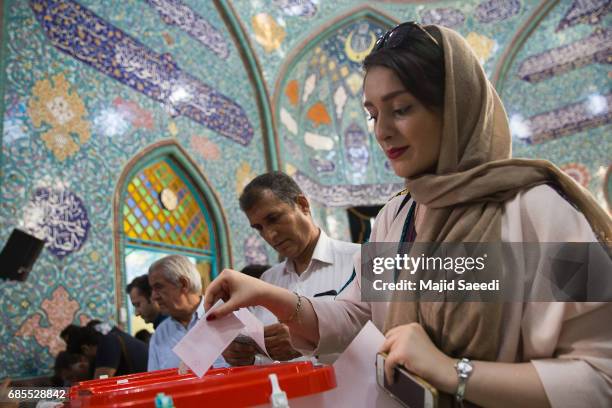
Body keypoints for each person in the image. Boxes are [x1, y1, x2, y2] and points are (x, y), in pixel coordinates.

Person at [204, 23, 612, 408]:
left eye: (400, 108)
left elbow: (601, 377)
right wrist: (264, 294)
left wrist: (454, 373)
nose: (381, 131)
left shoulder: (543, 212)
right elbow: (355, 315)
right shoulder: (397, 216)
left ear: (455, 106)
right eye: (372, 114)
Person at [222, 173, 360, 366]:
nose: (269, 235)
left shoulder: (363, 260)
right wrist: (244, 354)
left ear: (303, 204)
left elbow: (388, 341)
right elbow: (267, 360)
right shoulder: (267, 280)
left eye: (274, 218)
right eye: (259, 228)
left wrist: (308, 339)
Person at [147, 255, 227, 371]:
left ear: (183, 284)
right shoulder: (160, 335)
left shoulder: (226, 315)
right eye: (152, 289)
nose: (154, 297)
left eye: (158, 287)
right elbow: (155, 383)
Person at [66, 323, 148, 378]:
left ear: (85, 349)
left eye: (82, 358)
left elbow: (98, 387)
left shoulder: (108, 343)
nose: (84, 363)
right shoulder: (113, 337)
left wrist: (55, 395)